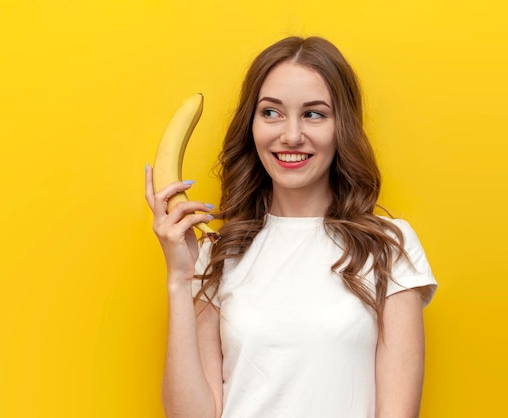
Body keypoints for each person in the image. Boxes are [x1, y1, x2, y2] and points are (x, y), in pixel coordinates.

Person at [145, 36, 437, 418]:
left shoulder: (388, 246)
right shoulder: (220, 251)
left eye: (314, 114)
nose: (291, 135)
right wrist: (180, 278)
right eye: (271, 112)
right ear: (251, 125)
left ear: (341, 127)